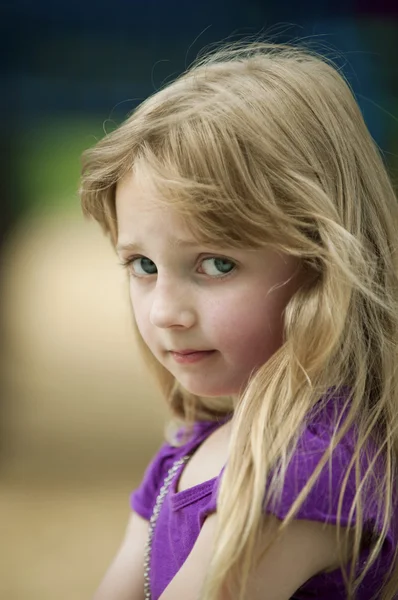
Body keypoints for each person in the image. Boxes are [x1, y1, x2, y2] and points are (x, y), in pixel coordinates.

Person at [79, 41, 398, 600]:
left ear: (323, 266)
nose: (165, 312)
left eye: (217, 264)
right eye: (144, 265)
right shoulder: (191, 449)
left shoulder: (309, 468)